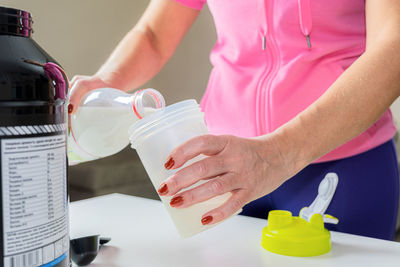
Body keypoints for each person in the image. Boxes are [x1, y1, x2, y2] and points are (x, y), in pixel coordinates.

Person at [69, 0, 400, 240]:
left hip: (340, 164)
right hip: (223, 165)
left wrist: (279, 154)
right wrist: (107, 81)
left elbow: (392, 46)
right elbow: (155, 32)